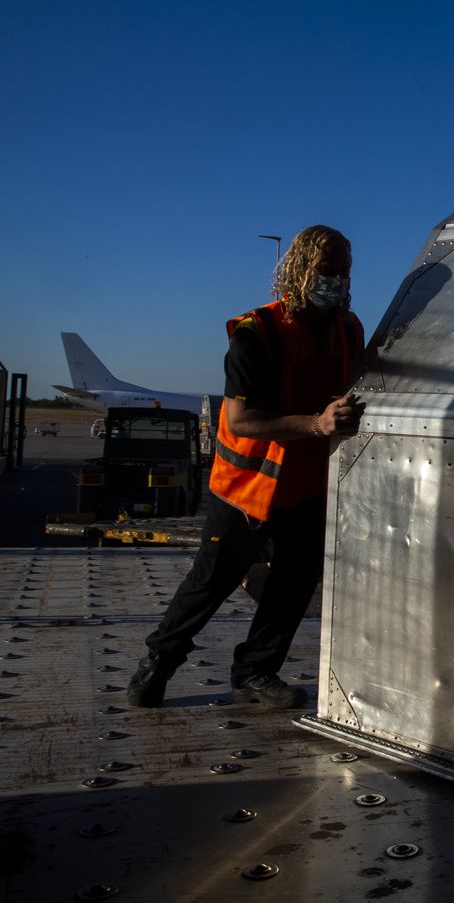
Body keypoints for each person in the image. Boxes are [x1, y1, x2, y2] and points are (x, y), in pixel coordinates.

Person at [128, 225, 366, 709]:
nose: (336, 281)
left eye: (343, 272)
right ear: (299, 270)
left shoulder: (349, 329)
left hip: (306, 486)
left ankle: (255, 671)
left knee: (294, 584)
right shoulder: (256, 332)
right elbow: (241, 419)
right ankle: (159, 662)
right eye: (326, 271)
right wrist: (318, 425)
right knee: (212, 580)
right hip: (246, 488)